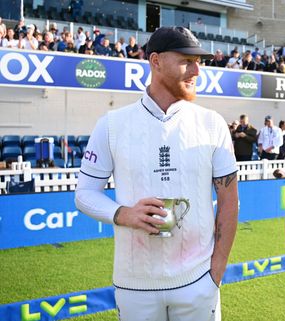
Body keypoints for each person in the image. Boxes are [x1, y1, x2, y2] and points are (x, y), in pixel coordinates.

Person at [75, 26, 239, 321]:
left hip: (198, 280)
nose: (196, 71)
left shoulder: (212, 123)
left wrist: (216, 271)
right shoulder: (112, 124)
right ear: (155, 61)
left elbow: (229, 202)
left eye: (199, 62)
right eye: (186, 60)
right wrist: (122, 214)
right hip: (134, 283)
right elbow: (85, 194)